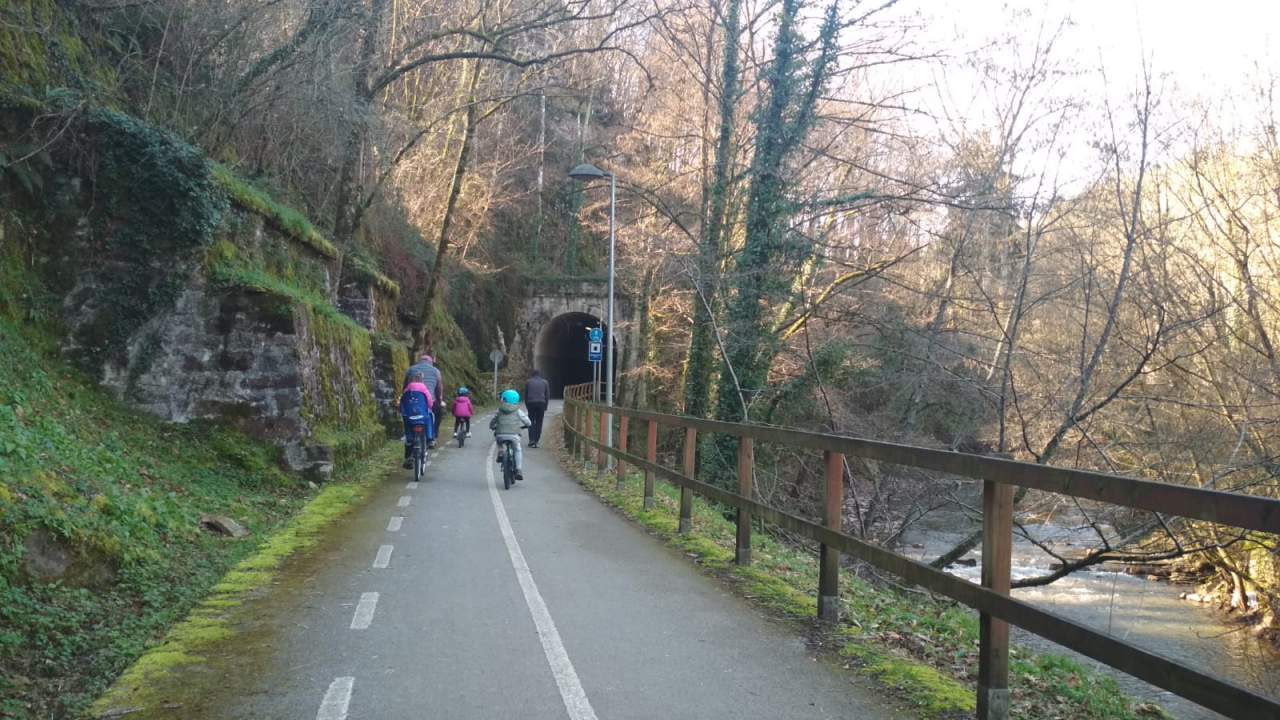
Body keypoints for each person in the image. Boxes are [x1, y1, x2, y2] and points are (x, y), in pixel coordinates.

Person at [490, 389, 531, 481]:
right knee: (517, 449)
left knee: (499, 441)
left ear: (503, 399)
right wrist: (527, 425)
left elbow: (494, 420)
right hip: (514, 435)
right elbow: (527, 421)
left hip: (500, 434)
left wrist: (492, 426)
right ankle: (518, 470)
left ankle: (501, 452)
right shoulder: (518, 411)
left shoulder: (499, 410)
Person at [404, 354, 444, 446]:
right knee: (437, 414)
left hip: (411, 401)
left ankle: (408, 436)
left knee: (407, 416)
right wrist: (439, 400)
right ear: (431, 362)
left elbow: (405, 386)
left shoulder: (410, 369)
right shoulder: (436, 371)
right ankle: (433, 436)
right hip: (429, 401)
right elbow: (439, 388)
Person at [399, 371, 434, 468]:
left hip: (410, 417)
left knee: (406, 422)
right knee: (430, 416)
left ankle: (409, 440)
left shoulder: (407, 390)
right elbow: (429, 402)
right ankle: (430, 438)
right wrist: (430, 407)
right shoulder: (424, 389)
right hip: (422, 416)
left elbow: (403, 402)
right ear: (422, 380)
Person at [524, 369, 550, 448]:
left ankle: (531, 440)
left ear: (532, 374)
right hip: (541, 403)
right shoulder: (545, 382)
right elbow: (547, 395)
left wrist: (527, 405)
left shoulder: (528, 382)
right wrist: (546, 406)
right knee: (539, 422)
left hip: (531, 403)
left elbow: (525, 394)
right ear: (540, 375)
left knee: (531, 421)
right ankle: (536, 441)